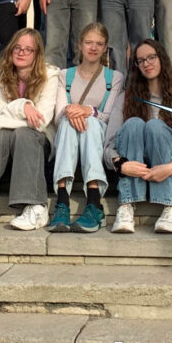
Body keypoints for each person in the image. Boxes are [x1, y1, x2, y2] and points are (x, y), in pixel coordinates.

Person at [0, 29, 61, 231]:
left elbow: (41, 121)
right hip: (10, 137)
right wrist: (23, 106)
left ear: (37, 54)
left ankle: (35, 205)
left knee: (21, 132)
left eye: (28, 49)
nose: (22, 52)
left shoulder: (50, 75)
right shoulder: (0, 78)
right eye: (18, 47)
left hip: (39, 139)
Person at [103, 40, 172, 235]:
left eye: (151, 57)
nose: (147, 63)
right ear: (136, 66)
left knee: (155, 126)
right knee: (134, 123)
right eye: (141, 60)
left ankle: (170, 206)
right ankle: (126, 205)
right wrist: (120, 164)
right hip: (130, 171)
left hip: (167, 172)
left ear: (161, 58)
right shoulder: (126, 97)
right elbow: (109, 144)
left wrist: (171, 167)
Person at [48, 22, 123, 233]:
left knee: (89, 121)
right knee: (67, 121)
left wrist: (87, 110)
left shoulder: (114, 78)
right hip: (67, 132)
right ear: (80, 44)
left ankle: (94, 202)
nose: (93, 47)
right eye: (89, 42)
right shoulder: (64, 75)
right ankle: (62, 201)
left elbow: (109, 116)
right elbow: (59, 113)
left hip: (98, 134)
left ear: (105, 47)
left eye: (99, 44)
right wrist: (75, 110)